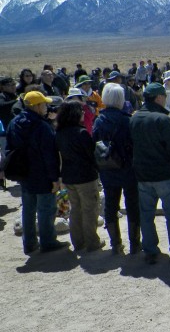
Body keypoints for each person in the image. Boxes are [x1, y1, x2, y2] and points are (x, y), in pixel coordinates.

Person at [129, 83, 170, 265]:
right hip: (164, 175)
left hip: (142, 175)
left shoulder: (134, 119)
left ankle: (150, 251)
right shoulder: (162, 120)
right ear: (158, 98)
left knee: (147, 214)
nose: (166, 99)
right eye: (164, 96)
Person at [6, 91, 70, 254]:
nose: (46, 106)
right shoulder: (42, 126)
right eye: (44, 104)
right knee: (46, 209)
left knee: (28, 209)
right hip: (42, 174)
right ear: (36, 106)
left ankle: (29, 243)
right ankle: (48, 242)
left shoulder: (14, 122)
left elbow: (9, 149)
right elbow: (50, 155)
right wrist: (55, 178)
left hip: (23, 173)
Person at [93, 83, 141, 255]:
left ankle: (116, 244)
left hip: (107, 168)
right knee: (132, 205)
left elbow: (95, 143)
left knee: (111, 205)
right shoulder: (127, 120)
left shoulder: (99, 120)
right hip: (128, 169)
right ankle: (135, 243)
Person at [55, 101, 105, 252]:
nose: (84, 113)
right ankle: (92, 243)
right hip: (85, 177)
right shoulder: (81, 133)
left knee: (75, 210)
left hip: (69, 177)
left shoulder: (59, 133)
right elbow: (91, 155)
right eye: (81, 112)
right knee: (90, 210)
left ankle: (78, 242)